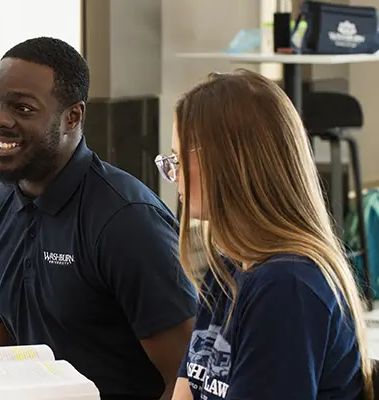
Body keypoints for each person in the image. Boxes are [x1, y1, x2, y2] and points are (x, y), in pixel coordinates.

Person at [0, 36, 197, 400]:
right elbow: (0, 359)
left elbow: (186, 379)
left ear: (72, 116)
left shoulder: (128, 221)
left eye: (22, 108)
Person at [158, 69, 373, 400]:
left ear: (229, 163)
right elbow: (187, 388)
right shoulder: (228, 266)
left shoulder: (288, 286)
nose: (174, 174)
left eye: (178, 158)